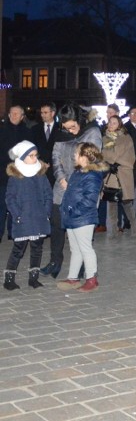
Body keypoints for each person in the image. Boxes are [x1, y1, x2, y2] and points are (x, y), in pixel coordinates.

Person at [40, 104, 102, 280]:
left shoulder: (92, 132)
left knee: (81, 228)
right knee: (57, 224)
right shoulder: (62, 133)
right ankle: (55, 262)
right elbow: (55, 156)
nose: (71, 131)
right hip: (62, 187)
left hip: (81, 188)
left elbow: (91, 161)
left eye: (73, 127)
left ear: (80, 120)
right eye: (67, 128)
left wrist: (73, 183)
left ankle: (83, 267)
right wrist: (61, 178)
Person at [56, 143, 108, 293]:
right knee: (75, 249)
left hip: (83, 218)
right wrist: (65, 208)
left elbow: (89, 200)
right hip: (72, 216)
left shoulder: (92, 175)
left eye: (76, 153)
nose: (74, 156)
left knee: (85, 248)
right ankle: (73, 278)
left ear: (85, 157)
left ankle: (92, 279)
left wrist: (73, 210)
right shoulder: (78, 172)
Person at [3, 141, 52, 290]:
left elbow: (48, 194)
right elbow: (9, 198)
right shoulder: (16, 177)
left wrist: (46, 212)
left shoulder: (40, 175)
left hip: (38, 218)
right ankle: (9, 280)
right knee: (18, 249)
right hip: (23, 219)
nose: (34, 158)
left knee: (37, 248)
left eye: (35, 155)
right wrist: (17, 215)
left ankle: (33, 278)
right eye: (31, 156)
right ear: (22, 157)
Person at [101, 115, 136, 238]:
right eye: (110, 122)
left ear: (120, 124)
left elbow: (128, 155)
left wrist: (116, 162)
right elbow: (104, 155)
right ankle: (113, 230)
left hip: (123, 173)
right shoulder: (105, 138)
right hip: (111, 174)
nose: (111, 125)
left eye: (114, 123)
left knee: (126, 203)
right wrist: (109, 162)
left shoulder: (126, 138)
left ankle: (134, 227)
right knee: (111, 202)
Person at [0, 105, 33, 238]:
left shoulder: (27, 132)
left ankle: (13, 231)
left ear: (22, 116)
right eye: (12, 113)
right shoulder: (1, 131)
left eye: (17, 114)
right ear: (8, 115)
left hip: (20, 174)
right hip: (2, 173)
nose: (14, 116)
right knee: (2, 204)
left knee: (17, 204)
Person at [31, 103, 59, 186]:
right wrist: (40, 161)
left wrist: (51, 162)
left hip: (55, 169)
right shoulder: (35, 129)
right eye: (41, 113)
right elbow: (33, 148)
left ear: (53, 113)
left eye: (45, 112)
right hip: (39, 168)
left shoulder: (60, 129)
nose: (42, 115)